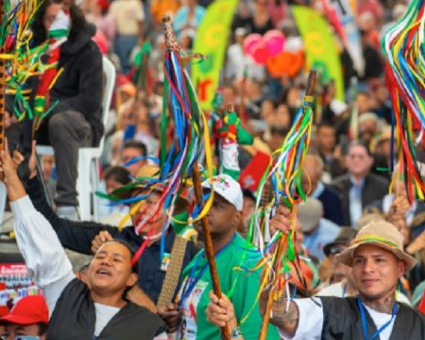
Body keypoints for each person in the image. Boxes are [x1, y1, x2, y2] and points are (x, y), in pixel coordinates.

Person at [2, 143, 166, 338]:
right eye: (100, 255)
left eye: (116, 259)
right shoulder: (65, 294)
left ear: (132, 278)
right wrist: (15, 179)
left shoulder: (150, 327)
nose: (105, 261)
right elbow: (41, 237)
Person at [24, 157, 196, 305]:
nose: (141, 208)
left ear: (169, 207)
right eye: (136, 201)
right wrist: (32, 180)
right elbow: (56, 228)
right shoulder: (110, 238)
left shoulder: (188, 252)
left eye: (150, 201)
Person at [260, 219, 425, 339]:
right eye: (359, 261)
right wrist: (273, 249)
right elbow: (276, 311)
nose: (367, 269)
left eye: (379, 260)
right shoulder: (329, 312)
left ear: (400, 268)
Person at [158, 174, 280, 340]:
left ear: (236, 217)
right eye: (201, 203)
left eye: (216, 205)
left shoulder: (248, 265)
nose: (205, 210)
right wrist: (176, 323)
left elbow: (259, 335)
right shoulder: (198, 259)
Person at [28, 0, 104, 219]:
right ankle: (18, 200)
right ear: (42, 21)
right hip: (39, 122)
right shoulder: (35, 49)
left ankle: (67, 204)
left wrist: (50, 109)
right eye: (50, 18)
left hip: (79, 125)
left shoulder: (88, 51)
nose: (56, 23)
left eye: (61, 18)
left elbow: (91, 100)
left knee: (62, 121)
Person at [331, 142, 389, 226]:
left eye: (361, 157)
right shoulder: (334, 186)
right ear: (346, 160)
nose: (356, 160)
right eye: (352, 156)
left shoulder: (382, 185)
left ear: (371, 160)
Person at [302, 154, 345, 226]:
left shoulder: (332, 198)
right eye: (303, 183)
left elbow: (337, 229)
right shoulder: (292, 195)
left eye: (312, 184)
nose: (307, 188)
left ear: (319, 177)